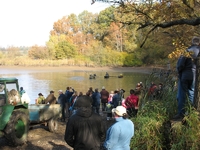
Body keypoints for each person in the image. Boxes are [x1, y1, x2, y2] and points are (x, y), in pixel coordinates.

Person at [173, 54, 194, 120]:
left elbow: (180, 65)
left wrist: (179, 71)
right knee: (192, 94)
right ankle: (191, 112)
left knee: (181, 95)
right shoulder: (198, 51)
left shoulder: (188, 51)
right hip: (194, 76)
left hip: (185, 75)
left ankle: (181, 113)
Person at [186, 36, 200, 104]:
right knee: (192, 90)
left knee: (190, 91)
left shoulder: (188, 50)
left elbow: (181, 62)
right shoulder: (198, 50)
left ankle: (189, 108)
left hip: (188, 72)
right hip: (195, 73)